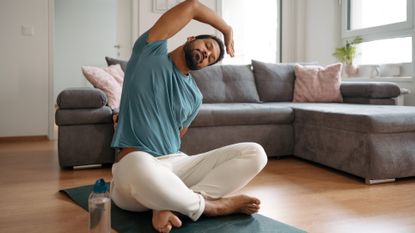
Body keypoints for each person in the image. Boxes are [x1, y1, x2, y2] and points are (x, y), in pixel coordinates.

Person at [110, 1, 268, 232]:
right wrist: (226, 30)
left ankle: (171, 204)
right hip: (137, 165)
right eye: (206, 46)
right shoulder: (149, 52)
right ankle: (212, 207)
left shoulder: (195, 96)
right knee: (137, 163)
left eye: (210, 58)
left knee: (256, 153)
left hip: (175, 163)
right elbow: (192, 6)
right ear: (191, 38)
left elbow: (177, 134)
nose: (206, 54)